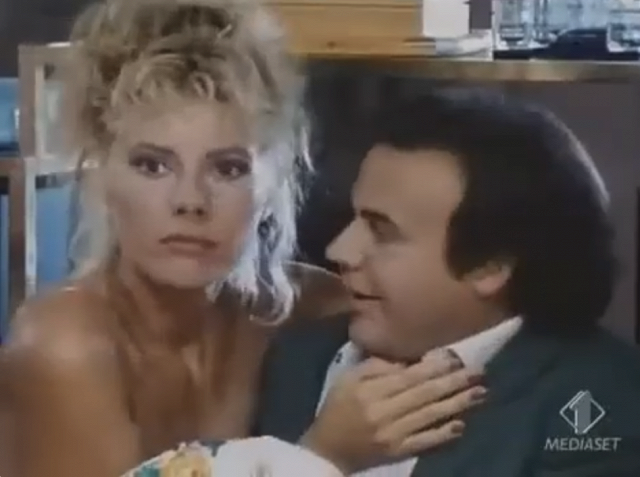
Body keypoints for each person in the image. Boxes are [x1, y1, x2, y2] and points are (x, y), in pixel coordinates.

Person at [0, 2, 483, 476]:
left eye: (228, 168)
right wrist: (323, 456)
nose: (190, 201)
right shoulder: (64, 346)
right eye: (152, 165)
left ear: (274, 179)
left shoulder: (312, 308)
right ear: (102, 173)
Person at [255, 88, 640, 476]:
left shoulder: (607, 401)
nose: (339, 250)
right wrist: (320, 454)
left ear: (490, 265)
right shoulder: (295, 356)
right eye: (352, 219)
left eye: (382, 231)